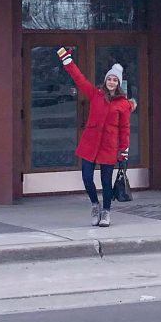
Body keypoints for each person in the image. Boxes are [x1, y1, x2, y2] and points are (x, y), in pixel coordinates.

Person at [55, 48, 133, 226]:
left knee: (106, 181)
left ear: (119, 83)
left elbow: (125, 128)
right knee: (87, 177)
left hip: (109, 145)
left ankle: (106, 212)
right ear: (105, 81)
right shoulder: (96, 95)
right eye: (109, 79)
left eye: (115, 80)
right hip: (90, 143)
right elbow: (79, 79)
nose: (111, 82)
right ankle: (94, 205)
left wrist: (124, 150)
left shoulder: (123, 104)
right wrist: (67, 60)